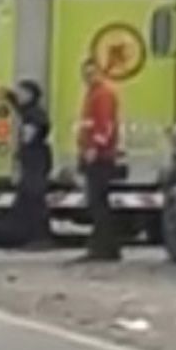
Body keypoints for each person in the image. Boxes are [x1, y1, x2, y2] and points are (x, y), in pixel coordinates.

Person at [0, 80, 53, 247]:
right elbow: (19, 108)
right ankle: (33, 236)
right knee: (29, 199)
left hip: (35, 161)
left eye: (21, 93)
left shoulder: (35, 115)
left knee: (33, 198)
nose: (19, 96)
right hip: (34, 160)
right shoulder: (30, 111)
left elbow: (30, 135)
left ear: (30, 95)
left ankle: (39, 237)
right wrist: (8, 96)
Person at [77, 59, 121, 261]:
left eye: (92, 73)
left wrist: (94, 147)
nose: (88, 77)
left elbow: (105, 124)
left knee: (98, 202)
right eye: (86, 73)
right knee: (97, 202)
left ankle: (104, 247)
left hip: (100, 156)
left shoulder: (102, 94)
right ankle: (104, 246)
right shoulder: (93, 93)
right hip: (95, 152)